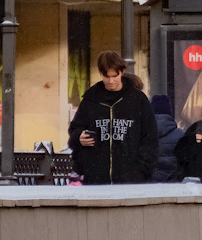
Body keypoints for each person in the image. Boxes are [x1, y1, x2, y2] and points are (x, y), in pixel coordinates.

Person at [67, 51, 158, 185]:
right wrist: (79, 137)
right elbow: (75, 131)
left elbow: (150, 137)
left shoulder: (137, 100)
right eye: (106, 76)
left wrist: (141, 169)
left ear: (122, 72)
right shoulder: (90, 100)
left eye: (114, 76)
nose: (110, 81)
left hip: (131, 178)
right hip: (96, 177)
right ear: (101, 74)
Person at [150, 95, 183, 183]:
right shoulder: (181, 136)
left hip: (148, 186)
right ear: (170, 112)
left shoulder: (143, 135)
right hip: (173, 186)